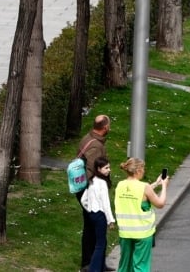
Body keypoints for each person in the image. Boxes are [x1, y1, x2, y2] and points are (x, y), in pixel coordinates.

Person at [114, 157, 168, 272]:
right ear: (138, 171)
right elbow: (160, 203)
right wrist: (164, 186)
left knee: (124, 266)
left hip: (125, 233)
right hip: (142, 234)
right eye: (143, 169)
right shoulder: (144, 187)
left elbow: (136, 194)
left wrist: (156, 183)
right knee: (140, 267)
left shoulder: (120, 185)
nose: (144, 171)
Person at [77, 115, 111, 271]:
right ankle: (91, 264)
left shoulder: (87, 137)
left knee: (90, 226)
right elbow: (95, 169)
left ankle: (95, 263)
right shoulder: (96, 146)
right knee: (96, 228)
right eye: (109, 125)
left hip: (86, 188)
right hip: (91, 191)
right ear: (105, 128)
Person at [80, 156, 115, 272]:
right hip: (100, 215)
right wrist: (111, 220)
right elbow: (106, 204)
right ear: (99, 169)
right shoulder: (102, 183)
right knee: (100, 244)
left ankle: (100, 267)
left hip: (92, 215)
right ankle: (94, 269)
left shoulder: (92, 180)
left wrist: (89, 209)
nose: (109, 170)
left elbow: (83, 200)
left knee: (100, 242)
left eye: (109, 167)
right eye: (106, 168)